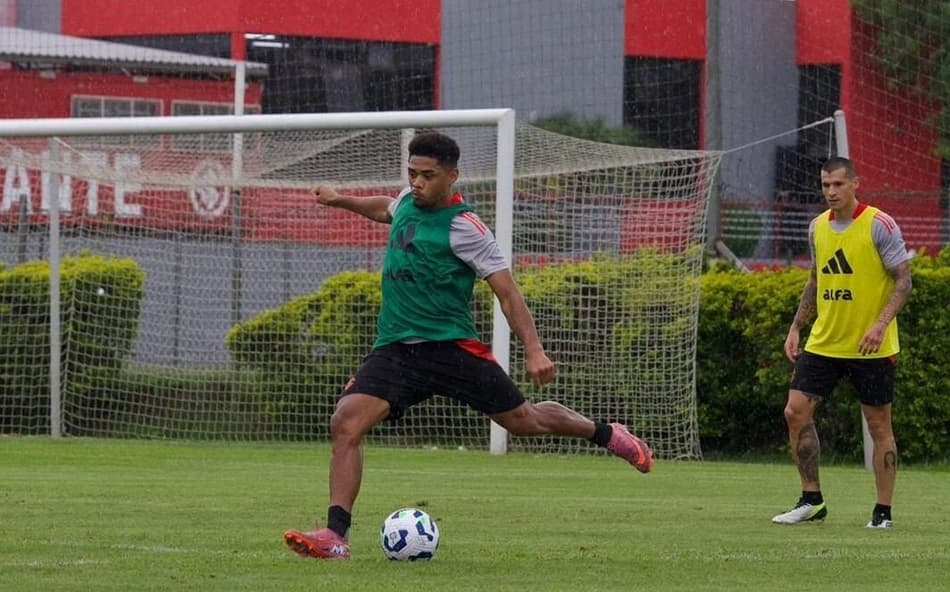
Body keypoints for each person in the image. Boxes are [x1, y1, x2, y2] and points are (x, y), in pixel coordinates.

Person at [282, 131, 654, 559]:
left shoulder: (465, 227)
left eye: (428, 175)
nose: (417, 183)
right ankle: (336, 537)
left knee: (523, 421)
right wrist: (339, 199)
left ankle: (607, 434)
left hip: (451, 349)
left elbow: (508, 292)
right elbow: (385, 207)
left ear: (452, 176)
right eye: (412, 173)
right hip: (396, 350)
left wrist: (533, 350)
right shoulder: (406, 201)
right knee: (346, 422)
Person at [772, 156, 912, 529]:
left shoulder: (879, 224)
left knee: (878, 426)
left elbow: (903, 281)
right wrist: (796, 327)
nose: (831, 191)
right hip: (824, 343)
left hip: (871, 347)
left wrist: (880, 325)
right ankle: (811, 500)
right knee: (795, 411)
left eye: (837, 184)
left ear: (855, 184)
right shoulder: (817, 226)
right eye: (825, 185)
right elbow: (816, 280)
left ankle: (882, 513)